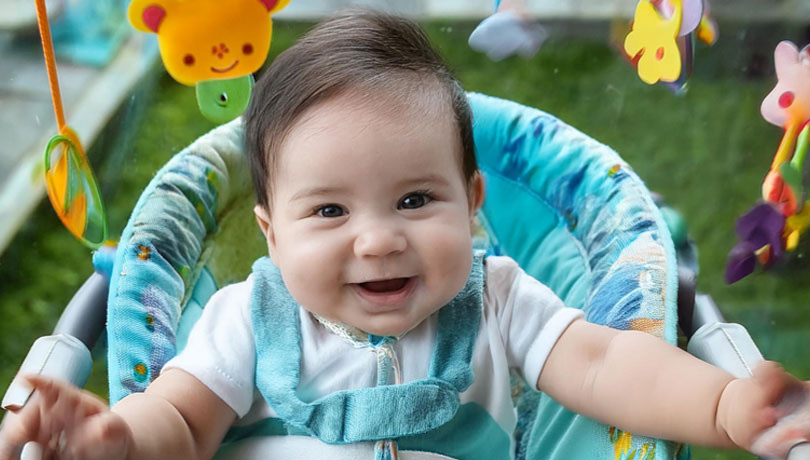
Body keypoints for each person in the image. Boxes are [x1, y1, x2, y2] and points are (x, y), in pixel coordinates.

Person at [1, 9, 809, 460]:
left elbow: (607, 362)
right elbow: (177, 422)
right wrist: (117, 440)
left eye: (417, 199)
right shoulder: (248, 318)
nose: (379, 240)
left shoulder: (498, 300)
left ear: (473, 201)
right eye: (329, 212)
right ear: (270, 235)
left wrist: (727, 404)